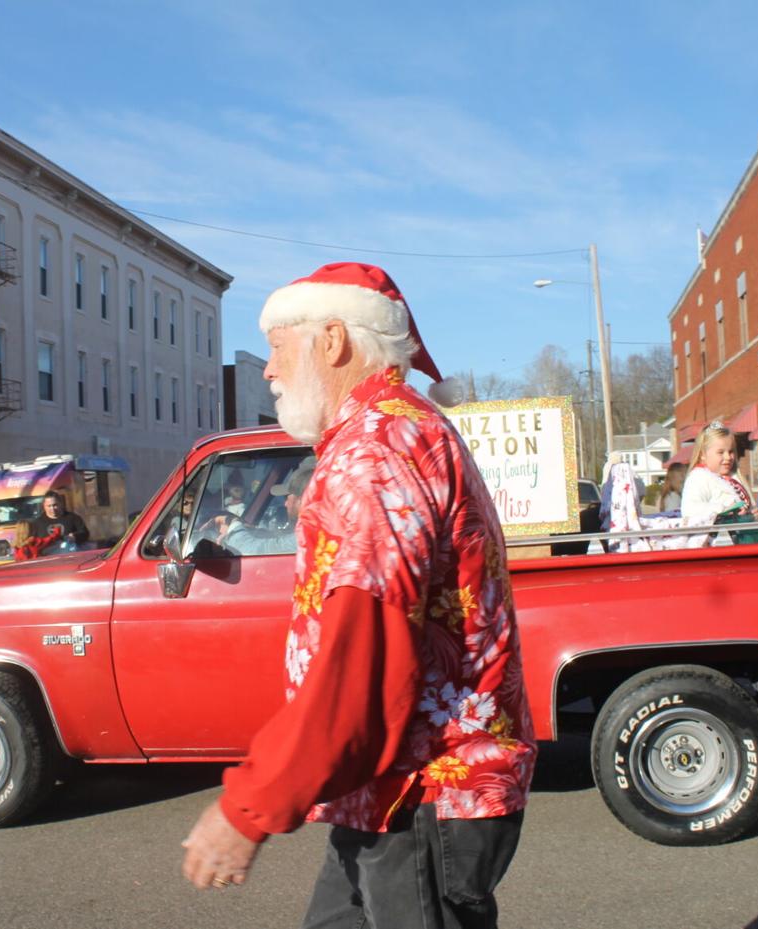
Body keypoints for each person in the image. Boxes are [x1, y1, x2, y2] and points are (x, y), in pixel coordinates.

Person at [181, 262, 536, 926]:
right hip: (390, 788)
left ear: (334, 340)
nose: (267, 367)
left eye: (280, 343)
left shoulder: (376, 449)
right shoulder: (392, 429)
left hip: (421, 790)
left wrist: (247, 807)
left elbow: (363, 662)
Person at [212, 458, 315, 555]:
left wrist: (233, 525)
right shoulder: (317, 530)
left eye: (287, 497)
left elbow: (251, 550)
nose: (285, 503)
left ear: (302, 500)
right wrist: (253, 531)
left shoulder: (311, 535)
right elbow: (281, 542)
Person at [681, 423, 755, 531]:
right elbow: (689, 509)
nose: (728, 457)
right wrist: (724, 509)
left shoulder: (735, 477)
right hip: (719, 542)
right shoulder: (698, 478)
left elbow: (747, 510)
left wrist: (754, 514)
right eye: (720, 452)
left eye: (730, 452)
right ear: (703, 454)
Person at [25, 491, 89, 555]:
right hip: (48, 559)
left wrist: (75, 537)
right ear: (44, 506)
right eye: (49, 506)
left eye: (55, 505)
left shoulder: (72, 518)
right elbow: (32, 542)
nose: (52, 509)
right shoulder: (37, 523)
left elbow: (85, 533)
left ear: (60, 503)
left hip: (70, 556)